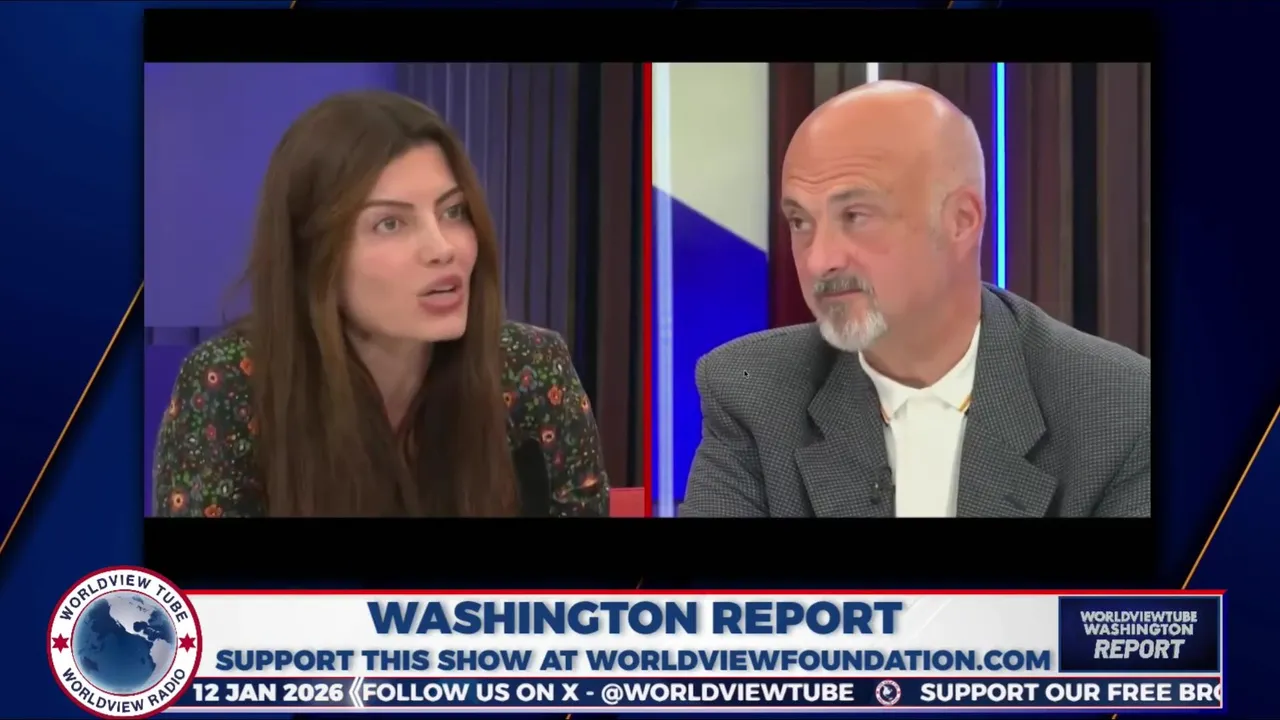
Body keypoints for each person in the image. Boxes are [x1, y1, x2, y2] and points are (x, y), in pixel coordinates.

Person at [681, 81, 1149, 519]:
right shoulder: (751, 392)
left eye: (855, 215)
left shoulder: (1119, 409)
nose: (819, 259)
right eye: (800, 222)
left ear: (961, 221)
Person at [152, 90, 608, 518]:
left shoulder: (531, 368)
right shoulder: (231, 385)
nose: (442, 248)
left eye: (453, 211)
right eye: (390, 223)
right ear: (313, 257)